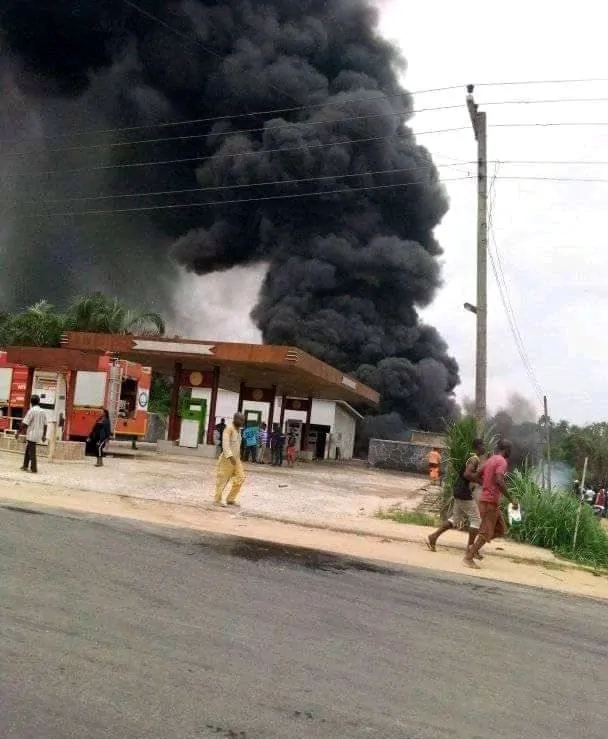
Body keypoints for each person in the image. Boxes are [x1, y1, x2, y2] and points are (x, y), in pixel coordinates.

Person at [464, 439, 518, 568]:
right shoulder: (502, 461)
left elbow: (476, 475)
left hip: (488, 500)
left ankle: (474, 548)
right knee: (486, 532)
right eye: (510, 450)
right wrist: (511, 499)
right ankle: (469, 557)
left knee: (500, 530)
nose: (510, 452)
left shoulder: (490, 460)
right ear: (506, 450)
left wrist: (485, 484)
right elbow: (499, 480)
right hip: (490, 502)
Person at [426, 438, 485, 556]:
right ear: (478, 446)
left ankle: (433, 536)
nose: (484, 448)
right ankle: (470, 549)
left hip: (459, 490)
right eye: (483, 445)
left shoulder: (471, 457)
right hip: (463, 492)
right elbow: (467, 474)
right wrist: (480, 481)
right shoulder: (474, 459)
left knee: (455, 519)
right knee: (476, 520)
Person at [214, 412, 246, 507]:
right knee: (223, 479)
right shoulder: (228, 429)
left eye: (243, 420)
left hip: (236, 459)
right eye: (241, 420)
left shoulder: (239, 430)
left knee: (241, 477)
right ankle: (217, 500)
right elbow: (225, 444)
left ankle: (230, 499)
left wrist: (238, 457)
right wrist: (230, 456)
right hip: (227, 459)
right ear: (235, 419)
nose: (242, 422)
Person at [19, 395, 47, 474]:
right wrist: (44, 435)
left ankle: (34, 468)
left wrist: (18, 432)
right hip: (39, 433)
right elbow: (45, 425)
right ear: (39, 402)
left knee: (32, 451)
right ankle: (25, 466)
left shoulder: (31, 411)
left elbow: (25, 423)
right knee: (28, 448)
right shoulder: (42, 411)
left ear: (31, 402)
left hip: (32, 433)